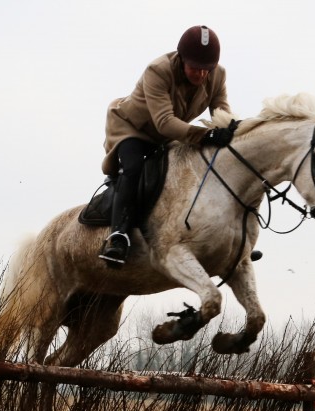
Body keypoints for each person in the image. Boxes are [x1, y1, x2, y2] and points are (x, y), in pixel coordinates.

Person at [98, 25, 234, 266]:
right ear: (181, 59)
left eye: (207, 70)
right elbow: (164, 122)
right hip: (132, 129)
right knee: (133, 168)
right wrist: (206, 136)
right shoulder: (158, 70)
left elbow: (222, 113)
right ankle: (118, 236)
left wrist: (232, 131)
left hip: (168, 136)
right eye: (195, 68)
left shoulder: (218, 75)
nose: (202, 75)